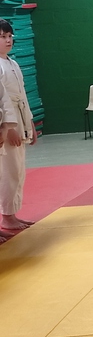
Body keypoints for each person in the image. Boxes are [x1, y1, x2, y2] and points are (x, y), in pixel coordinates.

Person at [0, 18, 37, 236]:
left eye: (9, 36)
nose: (8, 40)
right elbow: (3, 102)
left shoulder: (12, 64)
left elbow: (22, 95)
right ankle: (7, 216)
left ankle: (12, 213)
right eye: (2, 37)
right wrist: (9, 128)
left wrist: (29, 123)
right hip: (7, 124)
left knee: (18, 170)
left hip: (20, 117)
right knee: (8, 171)